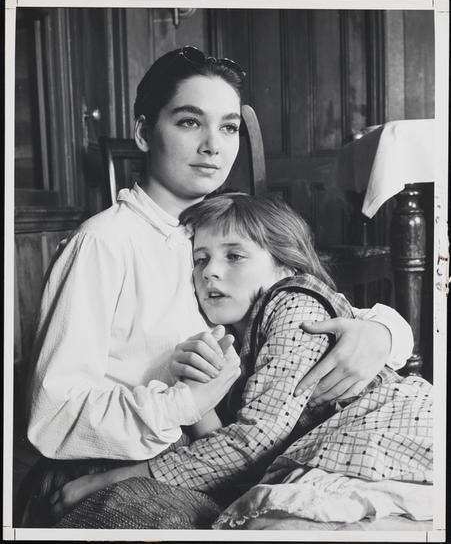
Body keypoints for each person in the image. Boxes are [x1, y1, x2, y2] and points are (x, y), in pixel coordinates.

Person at [20, 46, 413, 525]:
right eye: (190, 122)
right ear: (144, 133)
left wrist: (382, 333)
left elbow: (303, 305)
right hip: (106, 465)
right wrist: (184, 404)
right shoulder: (104, 243)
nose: (213, 145)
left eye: (228, 127)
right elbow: (53, 416)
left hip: (211, 455)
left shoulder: (219, 233)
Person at [49, 193, 432, 529]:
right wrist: (197, 397)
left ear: (285, 265)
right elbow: (235, 453)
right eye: (200, 260)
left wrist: (107, 480)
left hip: (387, 436)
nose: (210, 271)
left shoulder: (294, 304)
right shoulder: (236, 339)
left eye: (234, 256)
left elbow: (256, 441)